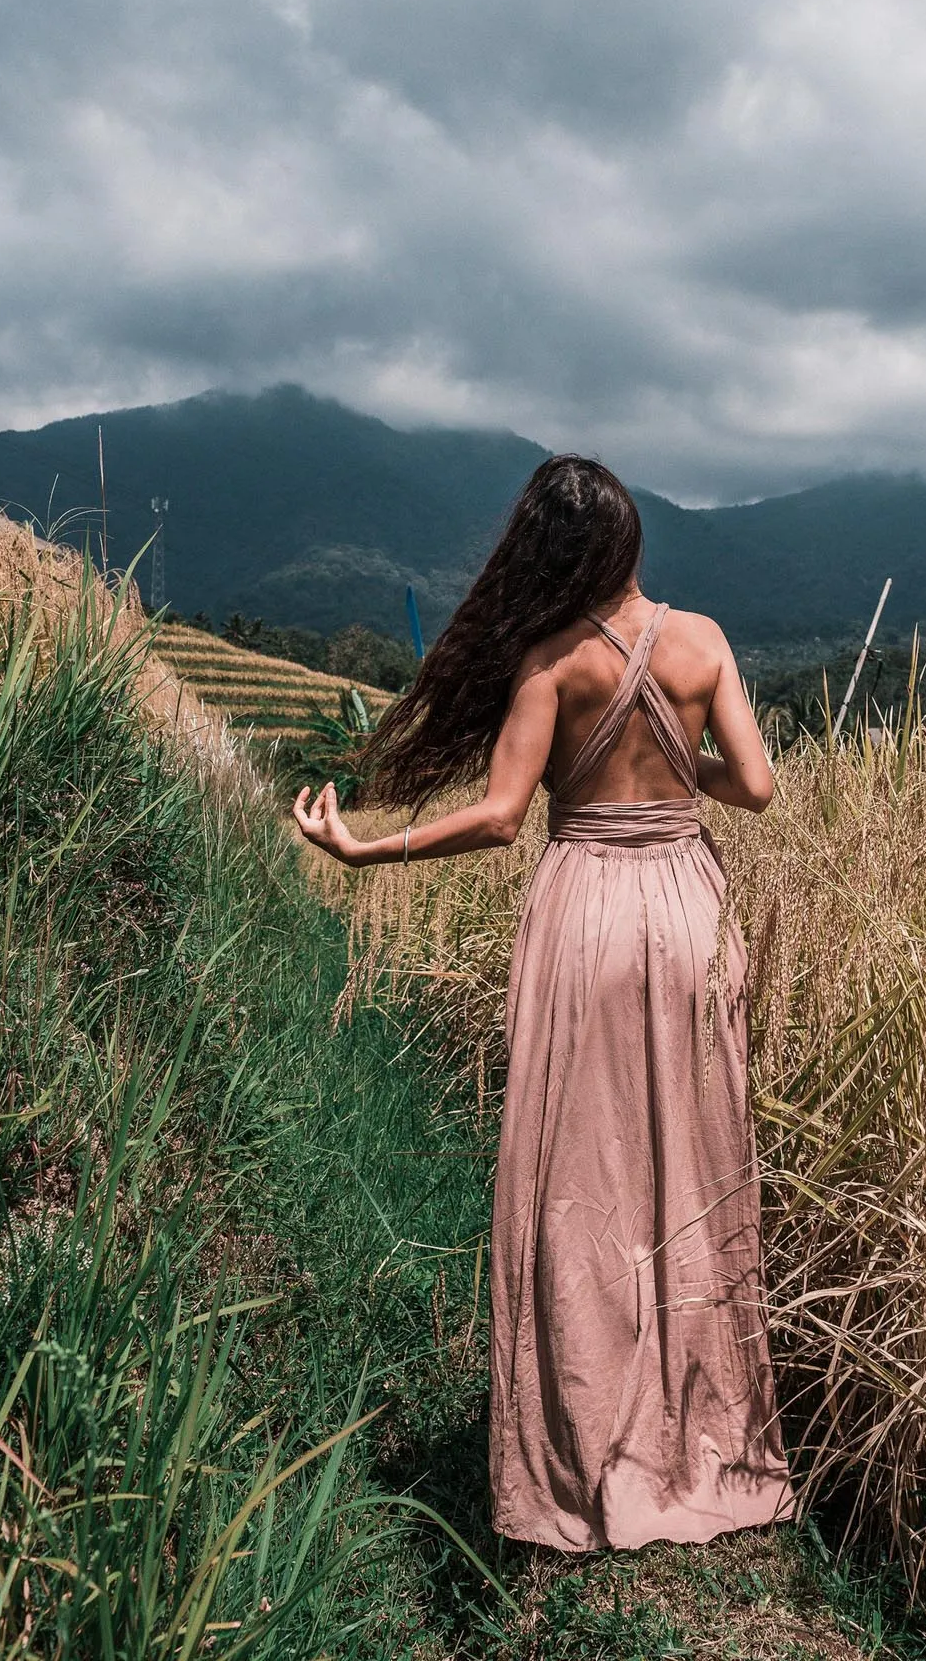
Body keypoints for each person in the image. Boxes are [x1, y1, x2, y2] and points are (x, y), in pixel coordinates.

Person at [293, 455, 795, 1553]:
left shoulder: (548, 661)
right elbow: (754, 786)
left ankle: (589, 1437)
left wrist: (368, 847)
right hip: (691, 914)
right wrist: (677, 767)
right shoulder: (702, 641)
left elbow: (500, 816)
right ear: (630, 545)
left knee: (579, 1178)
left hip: (589, 918)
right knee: (699, 1171)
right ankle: (707, 1435)